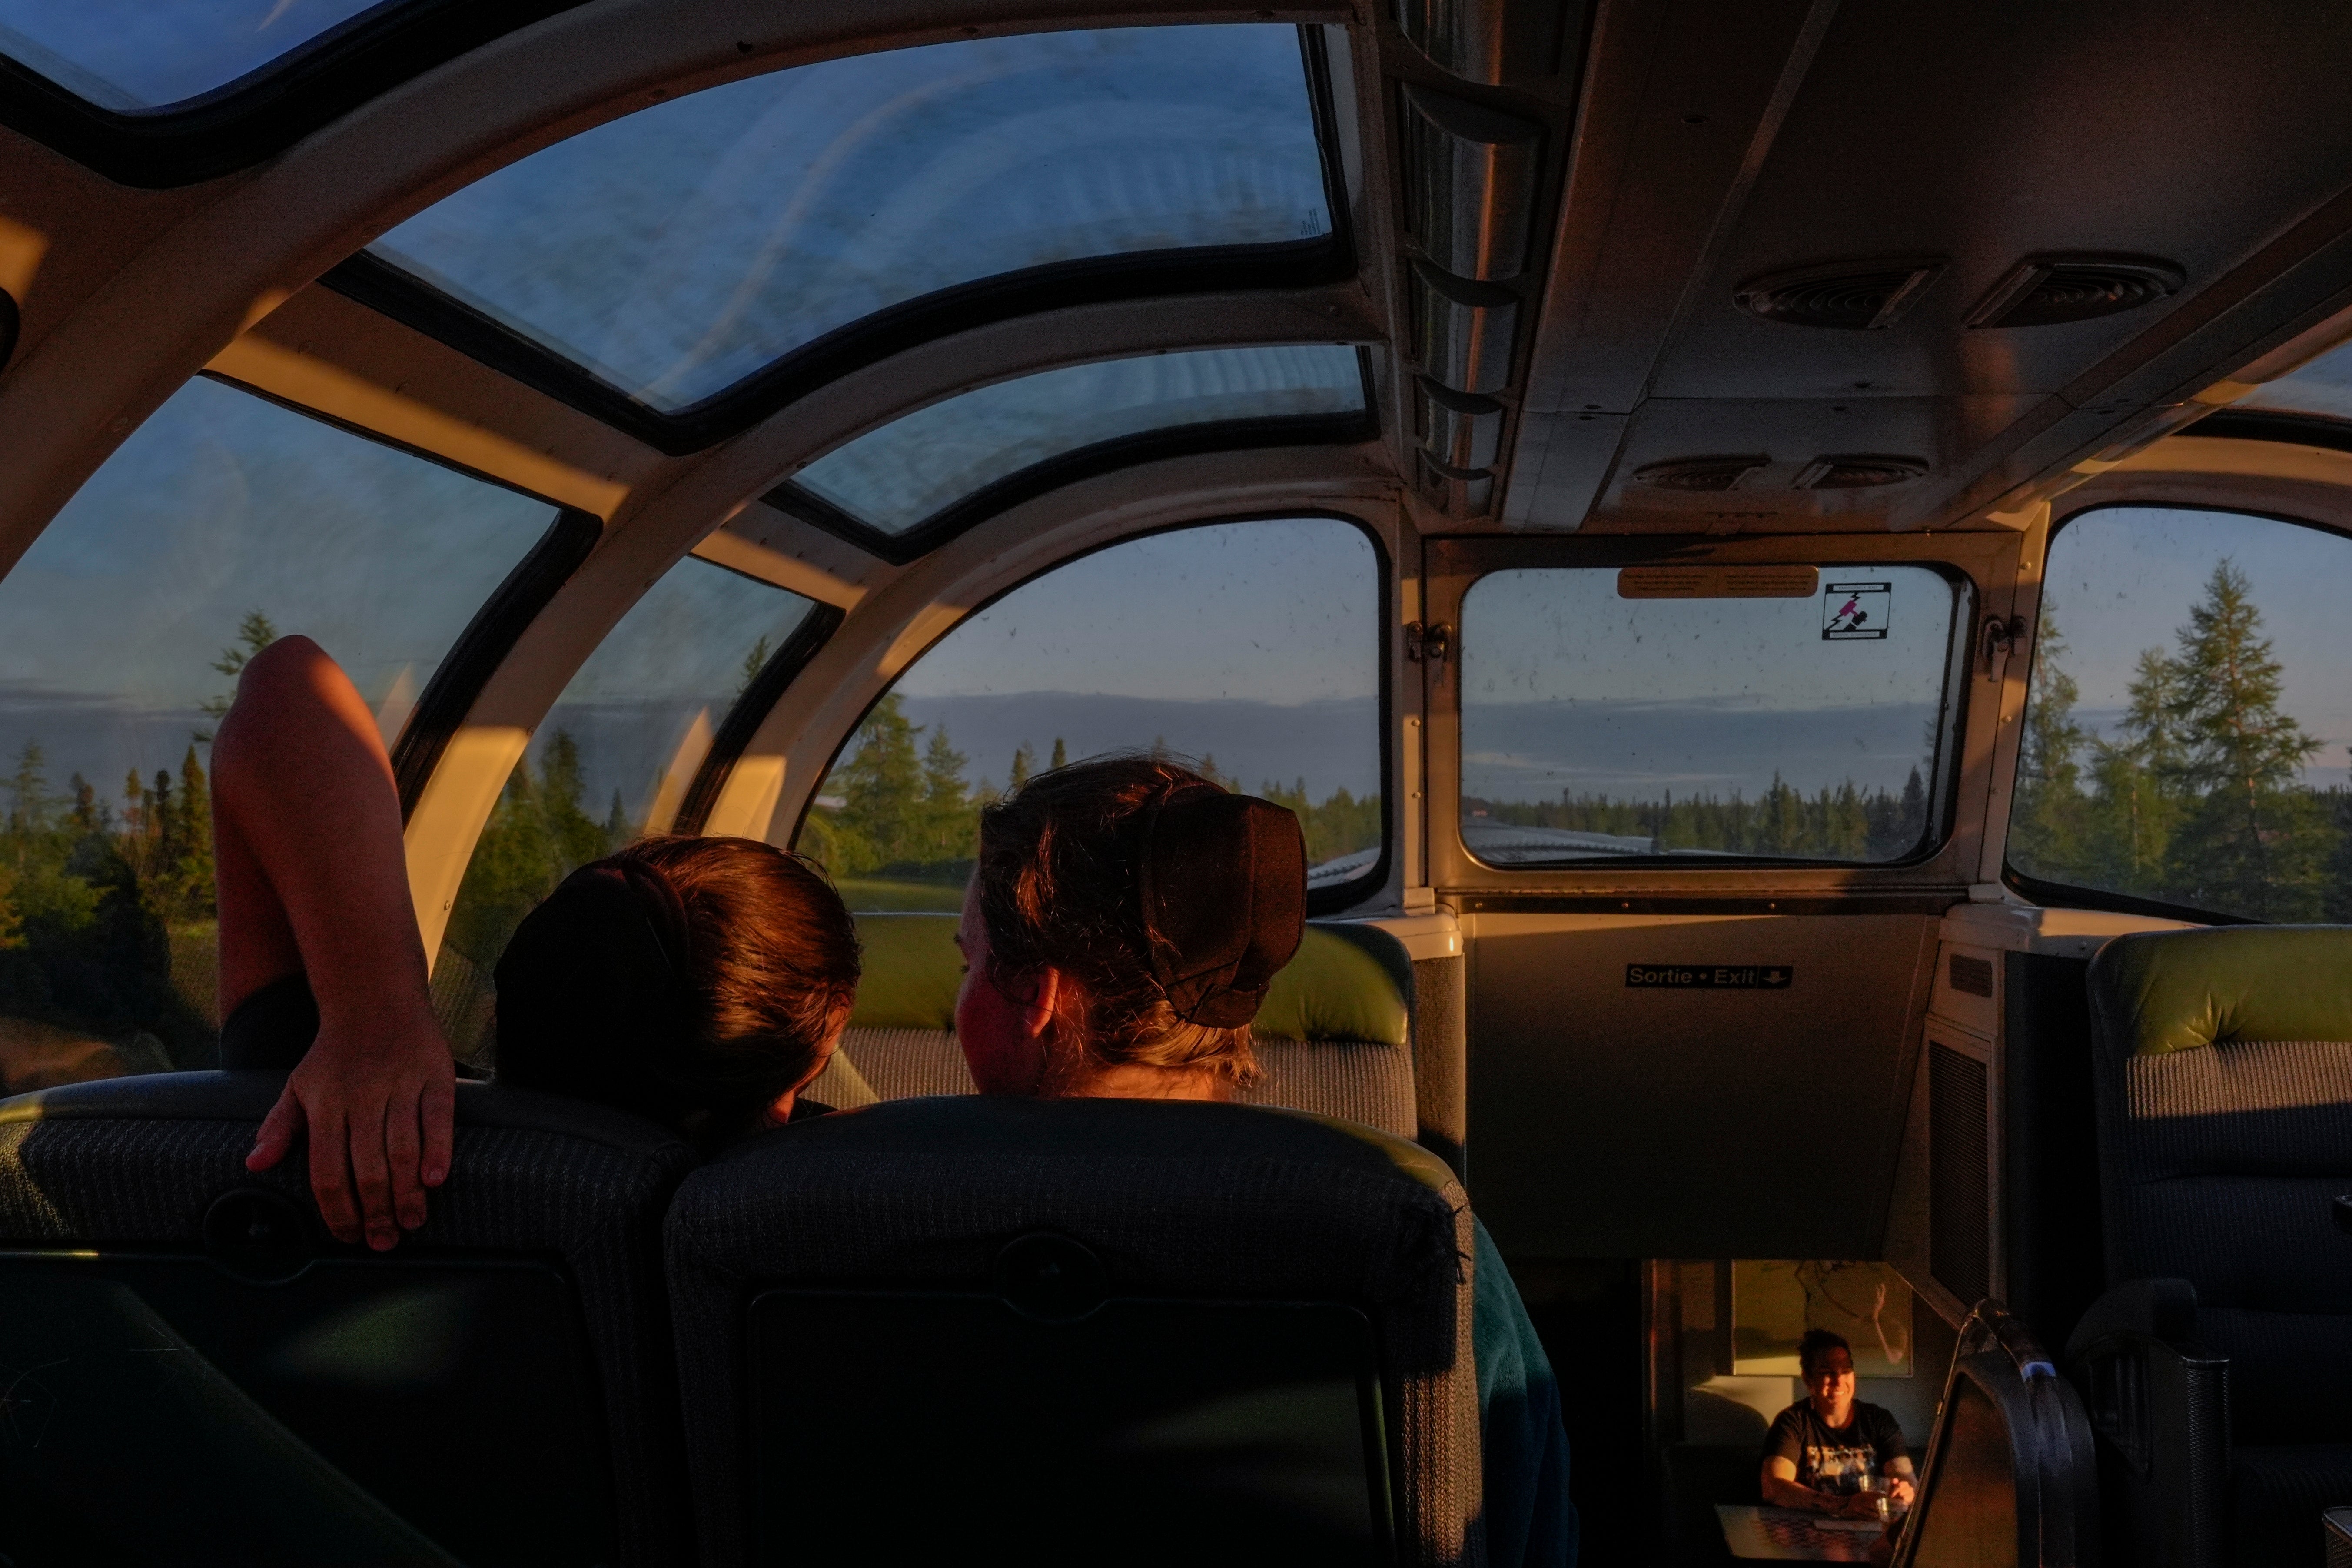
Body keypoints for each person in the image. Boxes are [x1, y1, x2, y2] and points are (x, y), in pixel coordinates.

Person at [953, 754, 1577, 1568]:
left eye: (966, 963)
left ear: (1038, 995)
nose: (959, 993)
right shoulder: (1422, 1239)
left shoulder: (873, 1208)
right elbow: (1530, 1536)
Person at [214, 635, 858, 1249]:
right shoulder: (852, 1207)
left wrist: (376, 1015)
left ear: (514, 992)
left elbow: (287, 682)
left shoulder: (338, 1131)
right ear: (813, 1057)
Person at [1760, 1329, 1917, 1516]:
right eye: (1828, 1373)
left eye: (1846, 1371)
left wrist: (1906, 1491)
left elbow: (1904, 1475)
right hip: (1811, 1532)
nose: (1839, 1381)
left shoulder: (1878, 1420)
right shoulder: (1793, 1422)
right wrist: (1844, 1505)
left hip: (1872, 1529)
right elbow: (1773, 1487)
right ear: (1809, 1379)